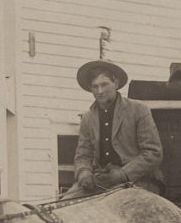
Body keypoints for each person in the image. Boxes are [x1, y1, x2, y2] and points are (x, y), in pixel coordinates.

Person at [68, 59, 165, 196]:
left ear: (116, 84)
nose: (100, 91)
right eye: (95, 87)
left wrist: (123, 174)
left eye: (105, 84)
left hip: (138, 181)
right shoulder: (87, 118)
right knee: (66, 204)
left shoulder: (138, 110)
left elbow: (153, 153)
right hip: (101, 181)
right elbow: (83, 156)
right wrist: (84, 174)